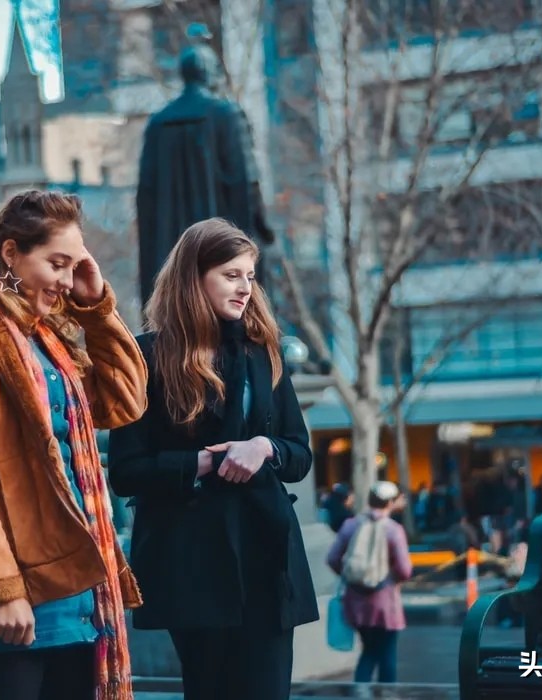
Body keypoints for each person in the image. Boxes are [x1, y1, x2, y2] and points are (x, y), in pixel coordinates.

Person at [0, 190, 148, 700]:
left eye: (74, 266)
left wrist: (96, 309)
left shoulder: (45, 338)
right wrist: (0, 590)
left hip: (74, 596)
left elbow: (124, 399)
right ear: (11, 254)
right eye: (57, 264)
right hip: (6, 603)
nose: (66, 281)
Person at [108, 218, 318, 700]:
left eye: (250, 276)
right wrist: (203, 462)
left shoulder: (263, 353)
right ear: (194, 277)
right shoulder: (147, 356)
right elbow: (126, 471)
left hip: (266, 553)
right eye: (231, 275)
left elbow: (298, 453)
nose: (245, 288)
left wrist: (263, 448)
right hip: (191, 561)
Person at [135, 42, 275, 307]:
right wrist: (263, 229)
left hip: (170, 252)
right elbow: (247, 182)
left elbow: (146, 196)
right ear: (209, 73)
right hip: (225, 252)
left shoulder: (158, 123)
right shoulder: (227, 115)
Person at [327, 481, 412, 684]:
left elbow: (332, 558)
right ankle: (387, 694)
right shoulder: (393, 530)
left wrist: (351, 577)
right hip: (385, 602)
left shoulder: (351, 525)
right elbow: (405, 570)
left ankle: (361, 692)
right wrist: (393, 579)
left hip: (355, 601)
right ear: (390, 502)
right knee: (387, 654)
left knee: (369, 651)